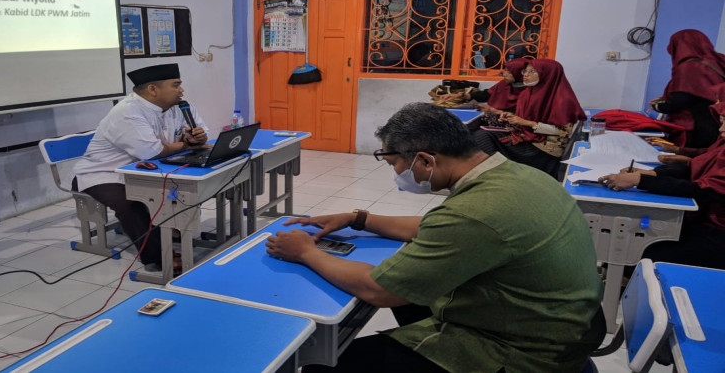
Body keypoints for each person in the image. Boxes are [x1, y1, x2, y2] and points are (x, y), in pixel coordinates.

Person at [265, 103, 605, 372]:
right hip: (561, 328)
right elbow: (433, 227)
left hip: (522, 353)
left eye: (396, 164)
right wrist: (358, 219)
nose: (397, 174)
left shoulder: (475, 211)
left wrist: (306, 251)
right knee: (415, 300)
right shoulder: (517, 176)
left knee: (325, 365)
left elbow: (380, 290)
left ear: (426, 160)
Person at [73, 63, 209, 272]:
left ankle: (170, 230)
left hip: (145, 170)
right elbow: (151, 151)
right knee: (133, 204)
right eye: (175, 85)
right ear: (153, 89)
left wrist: (198, 137)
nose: (181, 90)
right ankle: (156, 257)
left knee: (185, 188)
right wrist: (186, 145)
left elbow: (201, 133)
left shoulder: (180, 107)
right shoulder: (127, 112)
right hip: (103, 173)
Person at [600, 99, 725, 270]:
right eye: (721, 122)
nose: (720, 129)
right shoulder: (722, 145)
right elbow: (693, 169)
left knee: (631, 253)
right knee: (625, 244)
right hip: (702, 220)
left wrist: (639, 180)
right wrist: (650, 173)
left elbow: (701, 190)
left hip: (716, 233)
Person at [473, 59, 586, 175]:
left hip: (544, 148)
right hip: (528, 137)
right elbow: (527, 119)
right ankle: (495, 173)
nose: (525, 75)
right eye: (525, 71)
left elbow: (563, 131)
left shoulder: (563, 100)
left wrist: (526, 122)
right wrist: (511, 117)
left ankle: (496, 173)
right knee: (482, 135)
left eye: (532, 71)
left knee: (483, 137)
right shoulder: (527, 93)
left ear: (547, 74)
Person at [649, 29, 725, 148]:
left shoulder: (689, 67)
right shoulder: (718, 61)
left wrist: (659, 106)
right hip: (718, 123)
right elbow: (700, 93)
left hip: (697, 129)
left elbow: (681, 100)